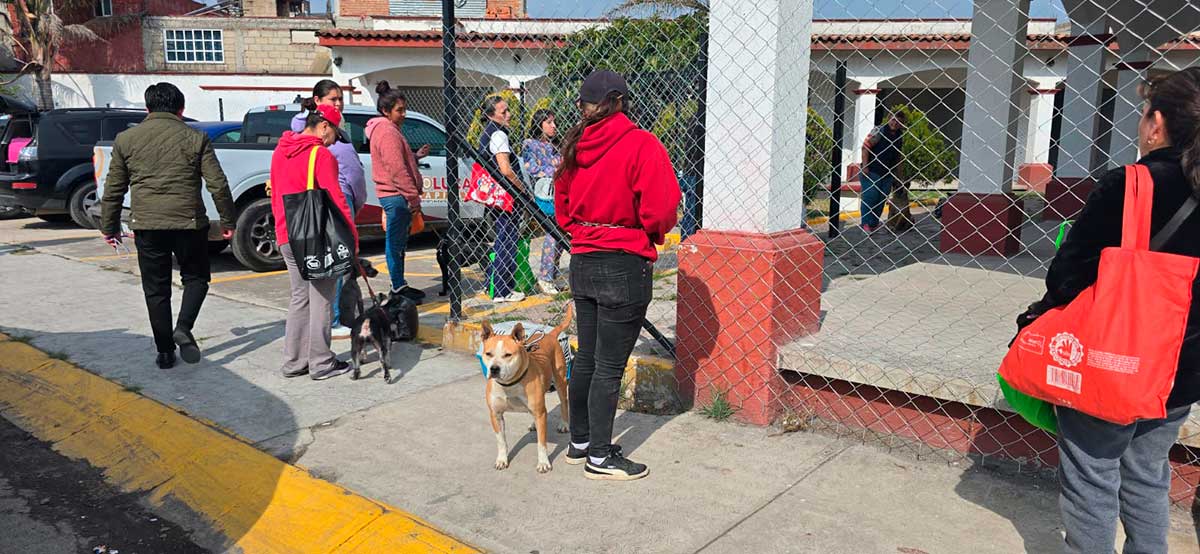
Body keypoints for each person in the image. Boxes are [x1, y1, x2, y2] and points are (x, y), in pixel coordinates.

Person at [1017, 68, 1200, 554]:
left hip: (1113, 363)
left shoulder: (1134, 184)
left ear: (1156, 124)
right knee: (1148, 472)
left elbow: (1067, 275)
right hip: (1183, 372)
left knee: (1092, 476)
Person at [554, 70, 681, 480]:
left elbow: (562, 209)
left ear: (585, 107)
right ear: (620, 101)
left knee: (588, 357)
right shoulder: (641, 144)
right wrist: (649, 233)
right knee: (609, 365)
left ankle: (581, 443)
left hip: (583, 260)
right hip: (623, 262)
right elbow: (661, 209)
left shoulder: (573, 147)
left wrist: (586, 229)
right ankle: (601, 457)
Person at [99, 83, 236, 370]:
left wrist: (109, 225)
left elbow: (114, 188)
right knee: (196, 278)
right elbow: (218, 184)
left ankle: (164, 352)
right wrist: (227, 221)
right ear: (181, 109)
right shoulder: (196, 138)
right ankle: (183, 327)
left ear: (147, 108)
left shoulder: (126, 140)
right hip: (189, 223)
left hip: (147, 224)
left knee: (156, 289)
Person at [271, 104, 359, 381]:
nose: (335, 141)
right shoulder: (320, 155)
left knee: (299, 296)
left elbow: (275, 195)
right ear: (323, 127)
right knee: (322, 297)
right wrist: (352, 238)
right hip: (315, 238)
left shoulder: (280, 150)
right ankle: (321, 362)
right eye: (334, 134)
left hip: (287, 234)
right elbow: (337, 200)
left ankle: (294, 361)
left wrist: (281, 230)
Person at [290, 79, 366, 339]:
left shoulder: (297, 140)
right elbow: (337, 185)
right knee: (331, 271)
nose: (338, 103)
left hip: (321, 208)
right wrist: (351, 227)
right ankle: (330, 329)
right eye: (333, 99)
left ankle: (329, 326)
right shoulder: (317, 143)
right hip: (328, 206)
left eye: (340, 99)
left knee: (323, 279)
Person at [366, 81, 430, 303]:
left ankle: (399, 284)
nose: (403, 114)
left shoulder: (388, 130)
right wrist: (413, 198)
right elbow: (396, 169)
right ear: (386, 111)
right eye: (399, 110)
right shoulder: (387, 132)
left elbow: (397, 161)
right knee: (395, 244)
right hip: (396, 196)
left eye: (404, 109)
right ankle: (398, 288)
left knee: (398, 244)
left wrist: (415, 157)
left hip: (395, 195)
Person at [478, 95, 526, 303]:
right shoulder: (499, 135)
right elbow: (506, 169)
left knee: (500, 240)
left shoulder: (486, 133)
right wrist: (522, 188)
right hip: (507, 196)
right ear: (491, 115)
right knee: (507, 241)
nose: (509, 114)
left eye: (507, 110)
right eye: (503, 111)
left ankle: (492, 283)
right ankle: (502, 290)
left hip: (496, 197)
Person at [520, 108, 563, 295]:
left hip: (558, 194)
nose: (553, 126)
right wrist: (554, 168)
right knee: (553, 234)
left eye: (554, 122)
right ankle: (545, 277)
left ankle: (551, 275)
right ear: (539, 124)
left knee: (560, 236)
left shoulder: (554, 145)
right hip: (543, 195)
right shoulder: (530, 144)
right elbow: (531, 167)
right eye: (549, 122)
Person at [859, 110, 907, 233]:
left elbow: (898, 157)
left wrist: (898, 176)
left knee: (881, 199)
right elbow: (865, 147)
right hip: (872, 170)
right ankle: (865, 224)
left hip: (888, 173)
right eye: (893, 120)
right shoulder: (879, 130)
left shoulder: (899, 136)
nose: (895, 123)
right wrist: (865, 166)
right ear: (889, 119)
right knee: (871, 197)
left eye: (899, 122)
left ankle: (874, 224)